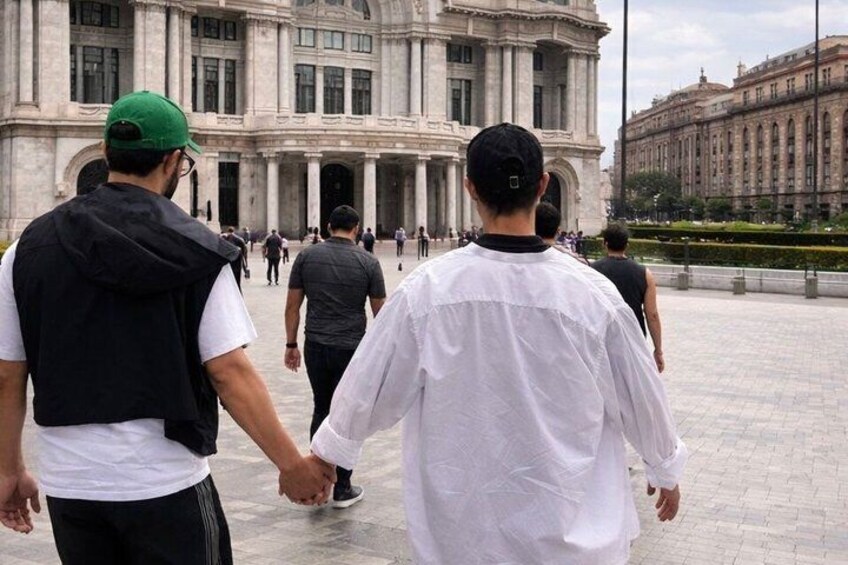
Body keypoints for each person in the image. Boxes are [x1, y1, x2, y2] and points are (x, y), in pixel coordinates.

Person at [310, 123, 687, 564]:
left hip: (463, 539)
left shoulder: (426, 292)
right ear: (542, 186)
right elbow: (642, 396)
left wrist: (327, 457)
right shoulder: (594, 297)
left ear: (470, 187)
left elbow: (367, 388)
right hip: (574, 541)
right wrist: (664, 466)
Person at [0, 91, 333, 563]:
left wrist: (9, 470)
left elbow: (8, 375)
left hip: (71, 484)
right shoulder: (200, 249)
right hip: (164, 478)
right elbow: (229, 373)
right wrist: (291, 464)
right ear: (174, 161)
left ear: (107, 150)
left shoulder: (26, 249)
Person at [284, 205, 386, 509]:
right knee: (348, 414)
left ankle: (317, 480)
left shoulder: (306, 256)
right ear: (356, 229)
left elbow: (292, 307)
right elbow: (381, 315)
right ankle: (343, 486)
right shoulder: (368, 261)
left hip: (315, 345)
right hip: (352, 349)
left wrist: (291, 344)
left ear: (328, 227)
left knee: (321, 407)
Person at [592, 222, 665, 373]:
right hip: (633, 337)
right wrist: (658, 350)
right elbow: (652, 315)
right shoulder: (644, 274)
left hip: (602, 336)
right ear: (627, 245)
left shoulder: (591, 271)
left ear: (604, 243)